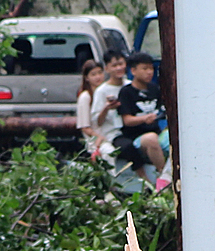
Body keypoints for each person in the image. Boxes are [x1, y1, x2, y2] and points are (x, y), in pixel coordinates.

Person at [114, 53, 171, 186]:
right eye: (144, 69)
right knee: (151, 139)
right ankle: (164, 177)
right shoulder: (126, 92)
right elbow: (127, 120)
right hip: (137, 138)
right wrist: (144, 119)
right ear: (133, 70)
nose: (149, 72)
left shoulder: (154, 89)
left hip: (158, 133)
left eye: (151, 69)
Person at [73, 58, 116, 162]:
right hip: (96, 138)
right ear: (86, 78)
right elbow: (85, 127)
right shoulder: (85, 97)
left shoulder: (107, 92)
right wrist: (99, 137)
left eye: (100, 73)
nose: (98, 77)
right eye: (93, 74)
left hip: (111, 133)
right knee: (109, 152)